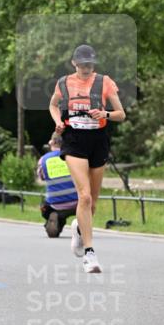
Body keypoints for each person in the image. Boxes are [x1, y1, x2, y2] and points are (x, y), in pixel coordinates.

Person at [49, 44, 125, 274]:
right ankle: (90, 255)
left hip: (98, 141)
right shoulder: (64, 83)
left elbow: (121, 115)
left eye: (89, 64)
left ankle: (79, 229)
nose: (86, 68)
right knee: (84, 196)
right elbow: (53, 105)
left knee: (91, 203)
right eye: (82, 64)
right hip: (73, 141)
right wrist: (58, 122)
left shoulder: (105, 82)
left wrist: (106, 114)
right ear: (74, 63)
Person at [37, 133, 79, 237]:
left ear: (52, 142)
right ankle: (81, 223)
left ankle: (56, 219)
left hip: (55, 204)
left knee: (44, 207)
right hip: (77, 203)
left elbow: (41, 177)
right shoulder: (74, 156)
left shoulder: (44, 160)